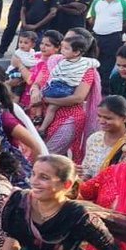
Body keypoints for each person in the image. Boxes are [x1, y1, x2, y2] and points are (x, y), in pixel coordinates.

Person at [43, 30, 104, 161]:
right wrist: (35, 90)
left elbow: (78, 98)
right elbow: (38, 82)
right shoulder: (56, 61)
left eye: (67, 43)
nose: (62, 47)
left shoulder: (87, 69)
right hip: (46, 114)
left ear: (77, 50)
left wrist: (46, 99)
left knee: (47, 156)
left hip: (69, 118)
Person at [35, 36, 98, 136]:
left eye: (66, 48)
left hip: (68, 116)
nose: (62, 51)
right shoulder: (83, 62)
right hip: (63, 91)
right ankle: (41, 127)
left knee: (47, 104)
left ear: (76, 52)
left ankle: (42, 128)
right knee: (48, 106)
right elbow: (96, 63)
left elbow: (78, 98)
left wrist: (45, 98)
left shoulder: (84, 69)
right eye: (62, 47)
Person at [81, 95, 126, 179]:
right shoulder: (95, 138)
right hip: (92, 188)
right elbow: (87, 170)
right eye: (99, 116)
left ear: (124, 118)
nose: (101, 121)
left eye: (108, 118)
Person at [89, 0, 126, 77]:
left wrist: (119, 35)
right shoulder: (97, 2)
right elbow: (93, 19)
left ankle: (104, 90)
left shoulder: (125, 4)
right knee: (94, 63)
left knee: (107, 66)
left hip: (113, 38)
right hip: (96, 37)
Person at [5, 30, 40, 101]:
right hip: (14, 72)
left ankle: (15, 102)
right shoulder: (19, 52)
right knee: (16, 88)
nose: (22, 44)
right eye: (20, 42)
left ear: (33, 45)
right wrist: (37, 62)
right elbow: (26, 62)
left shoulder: (32, 51)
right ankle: (13, 101)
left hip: (21, 73)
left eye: (26, 43)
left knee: (19, 89)